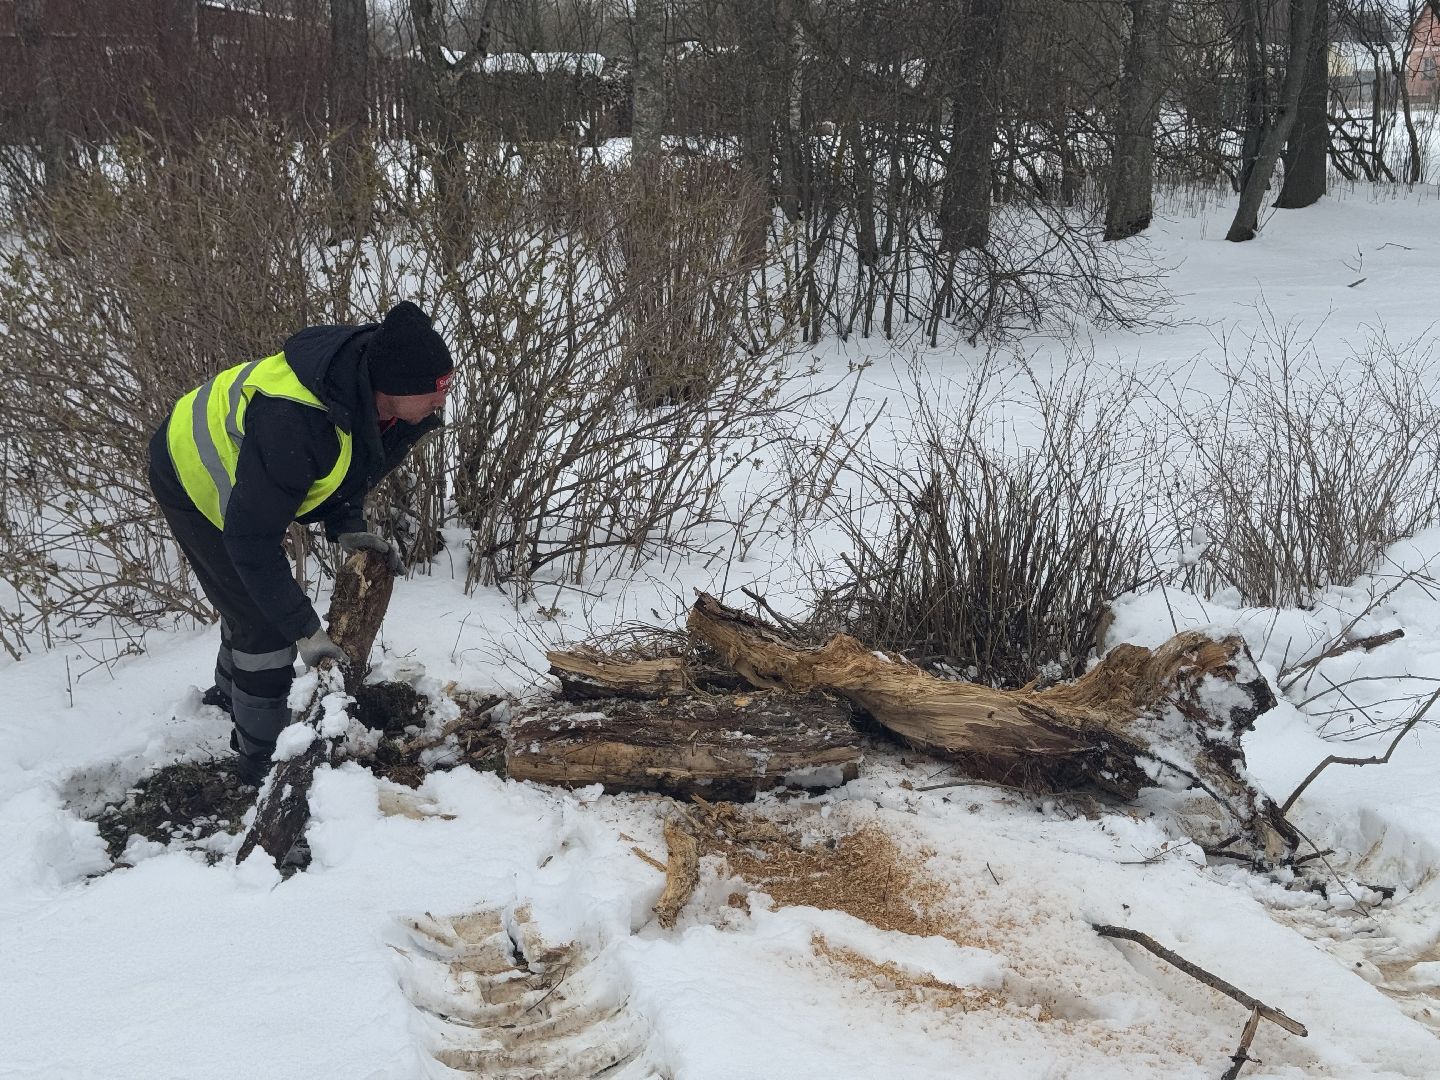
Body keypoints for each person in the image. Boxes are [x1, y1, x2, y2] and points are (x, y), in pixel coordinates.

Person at [148, 301, 453, 784]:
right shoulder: (295, 419)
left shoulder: (376, 403)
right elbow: (251, 540)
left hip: (255, 469)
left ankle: (230, 696)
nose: (441, 403)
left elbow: (349, 463)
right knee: (263, 626)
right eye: (433, 393)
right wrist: (305, 631)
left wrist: (346, 520)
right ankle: (261, 767)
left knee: (254, 604)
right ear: (389, 389)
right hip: (191, 469)